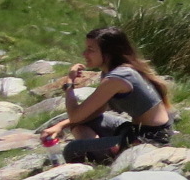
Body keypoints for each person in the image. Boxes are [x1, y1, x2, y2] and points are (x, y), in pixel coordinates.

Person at [39, 27, 175, 164]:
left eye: (91, 50)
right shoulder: (116, 71)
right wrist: (60, 126)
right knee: (84, 121)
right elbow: (96, 111)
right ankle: (105, 148)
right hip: (136, 130)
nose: (84, 53)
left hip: (149, 138)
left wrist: (69, 84)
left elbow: (75, 115)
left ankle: (107, 152)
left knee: (71, 150)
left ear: (109, 53)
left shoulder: (117, 78)